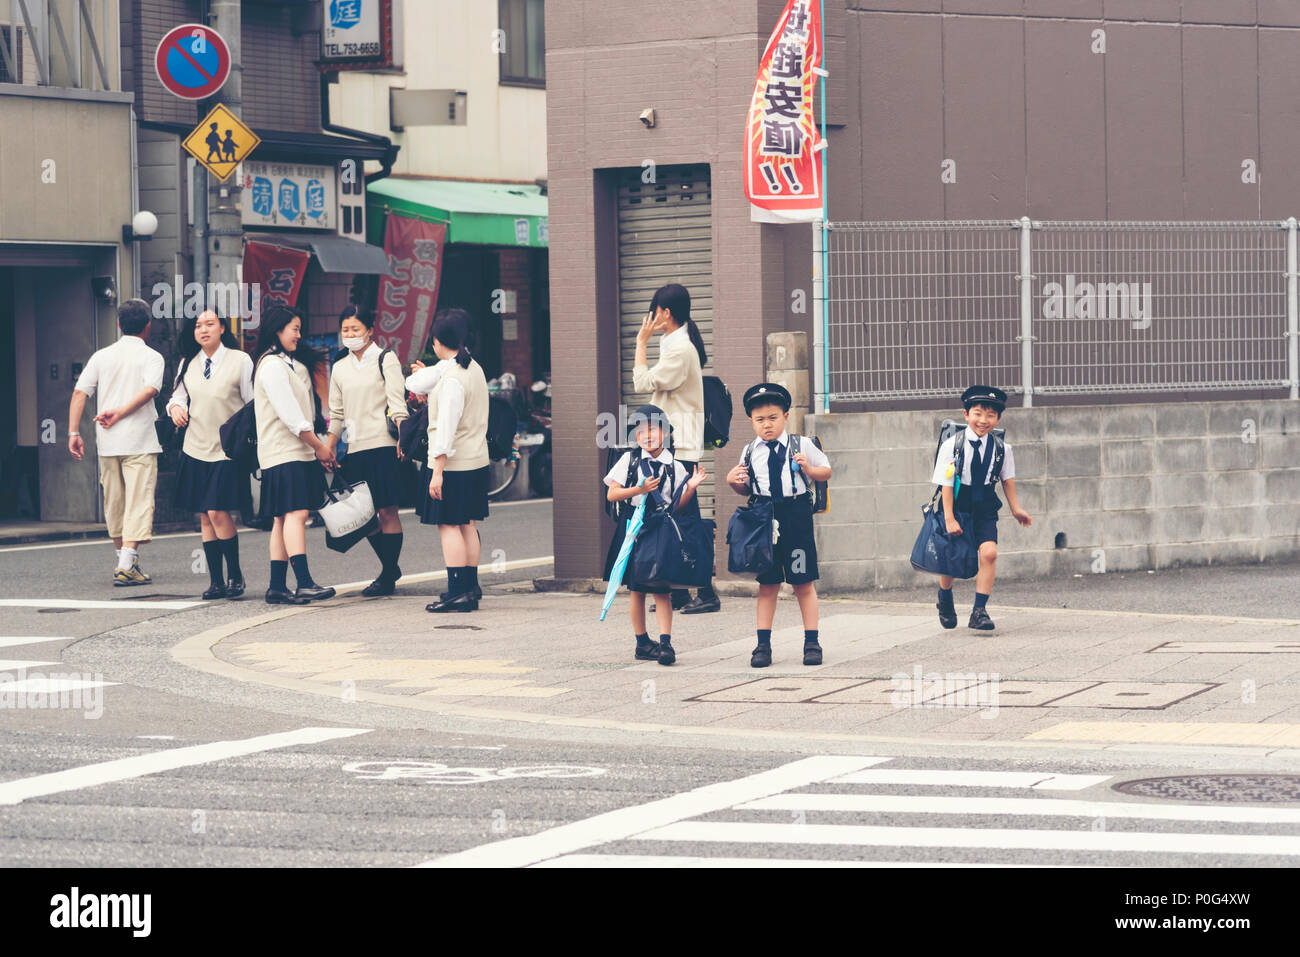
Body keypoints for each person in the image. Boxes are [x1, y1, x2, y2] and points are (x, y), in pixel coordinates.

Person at [725, 383, 832, 669]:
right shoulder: (749, 451)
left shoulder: (801, 444)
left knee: (802, 581)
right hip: (763, 517)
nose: (767, 425)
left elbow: (826, 470)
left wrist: (809, 469)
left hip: (796, 514)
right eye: (760, 420)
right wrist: (733, 481)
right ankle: (762, 645)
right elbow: (745, 489)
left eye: (773, 417)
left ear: (786, 416)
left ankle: (812, 641)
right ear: (751, 422)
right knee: (768, 584)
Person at [632, 283, 720, 615]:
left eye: (652, 311)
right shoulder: (675, 345)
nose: (648, 318)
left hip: (680, 446)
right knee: (677, 519)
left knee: (688, 521)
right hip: (675, 444)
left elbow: (642, 383)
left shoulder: (680, 349)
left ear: (665, 314)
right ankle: (681, 591)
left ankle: (707, 592)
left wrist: (640, 342)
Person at [67, 298, 165, 586]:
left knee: (115, 502)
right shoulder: (152, 357)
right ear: (148, 326)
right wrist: (121, 412)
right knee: (138, 501)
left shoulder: (101, 356)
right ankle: (126, 562)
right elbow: (150, 391)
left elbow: (79, 393)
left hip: (107, 441)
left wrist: (74, 432)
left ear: (119, 324)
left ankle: (126, 562)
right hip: (140, 441)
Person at [604, 405, 707, 665]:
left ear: (665, 433)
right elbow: (612, 494)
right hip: (634, 528)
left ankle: (665, 644)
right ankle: (641, 642)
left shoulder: (676, 466)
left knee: (662, 588)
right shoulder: (629, 460)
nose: (646, 436)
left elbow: (677, 506)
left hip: (661, 529)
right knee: (637, 589)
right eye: (640, 431)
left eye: (652, 429)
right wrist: (638, 489)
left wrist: (691, 488)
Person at [166, 309, 254, 599]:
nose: (203, 330)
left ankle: (235, 575)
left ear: (222, 329)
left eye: (210, 324)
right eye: (198, 326)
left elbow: (253, 403)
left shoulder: (240, 360)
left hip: (227, 449)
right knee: (205, 516)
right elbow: (177, 397)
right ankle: (216, 582)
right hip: (195, 447)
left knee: (218, 511)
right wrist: (176, 408)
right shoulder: (187, 363)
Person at [252, 306, 337, 605]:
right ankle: (303, 582)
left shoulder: (286, 364)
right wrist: (320, 446)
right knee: (297, 514)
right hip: (284, 450)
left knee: (282, 519)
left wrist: (315, 447)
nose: (299, 335)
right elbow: (292, 417)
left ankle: (277, 586)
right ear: (278, 329)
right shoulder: (273, 366)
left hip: (290, 451)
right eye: (295, 329)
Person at [932, 385, 1032, 631]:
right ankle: (944, 595)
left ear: (998, 418)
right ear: (966, 414)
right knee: (954, 561)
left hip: (985, 503)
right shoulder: (952, 445)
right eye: (977, 413)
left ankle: (979, 611)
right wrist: (949, 518)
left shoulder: (1002, 448)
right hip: (958, 503)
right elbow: (946, 483)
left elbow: (1006, 480)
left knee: (989, 553)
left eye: (990, 415)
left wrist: (1016, 508)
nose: (983, 420)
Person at [325, 305, 408, 596]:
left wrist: (403, 437)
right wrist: (329, 448)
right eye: (345, 330)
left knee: (387, 511)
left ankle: (387, 575)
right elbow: (336, 413)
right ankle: (390, 566)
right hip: (356, 450)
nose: (350, 335)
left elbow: (397, 403)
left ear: (370, 330)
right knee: (362, 516)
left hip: (384, 446)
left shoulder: (386, 359)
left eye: (355, 330)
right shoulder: (340, 366)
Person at [414, 309, 490, 613]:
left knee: (448, 525)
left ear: (437, 341)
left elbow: (445, 428)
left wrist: (437, 470)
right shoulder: (475, 370)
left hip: (453, 464)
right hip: (476, 461)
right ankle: (470, 589)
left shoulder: (452, 379)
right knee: (467, 523)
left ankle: (457, 591)